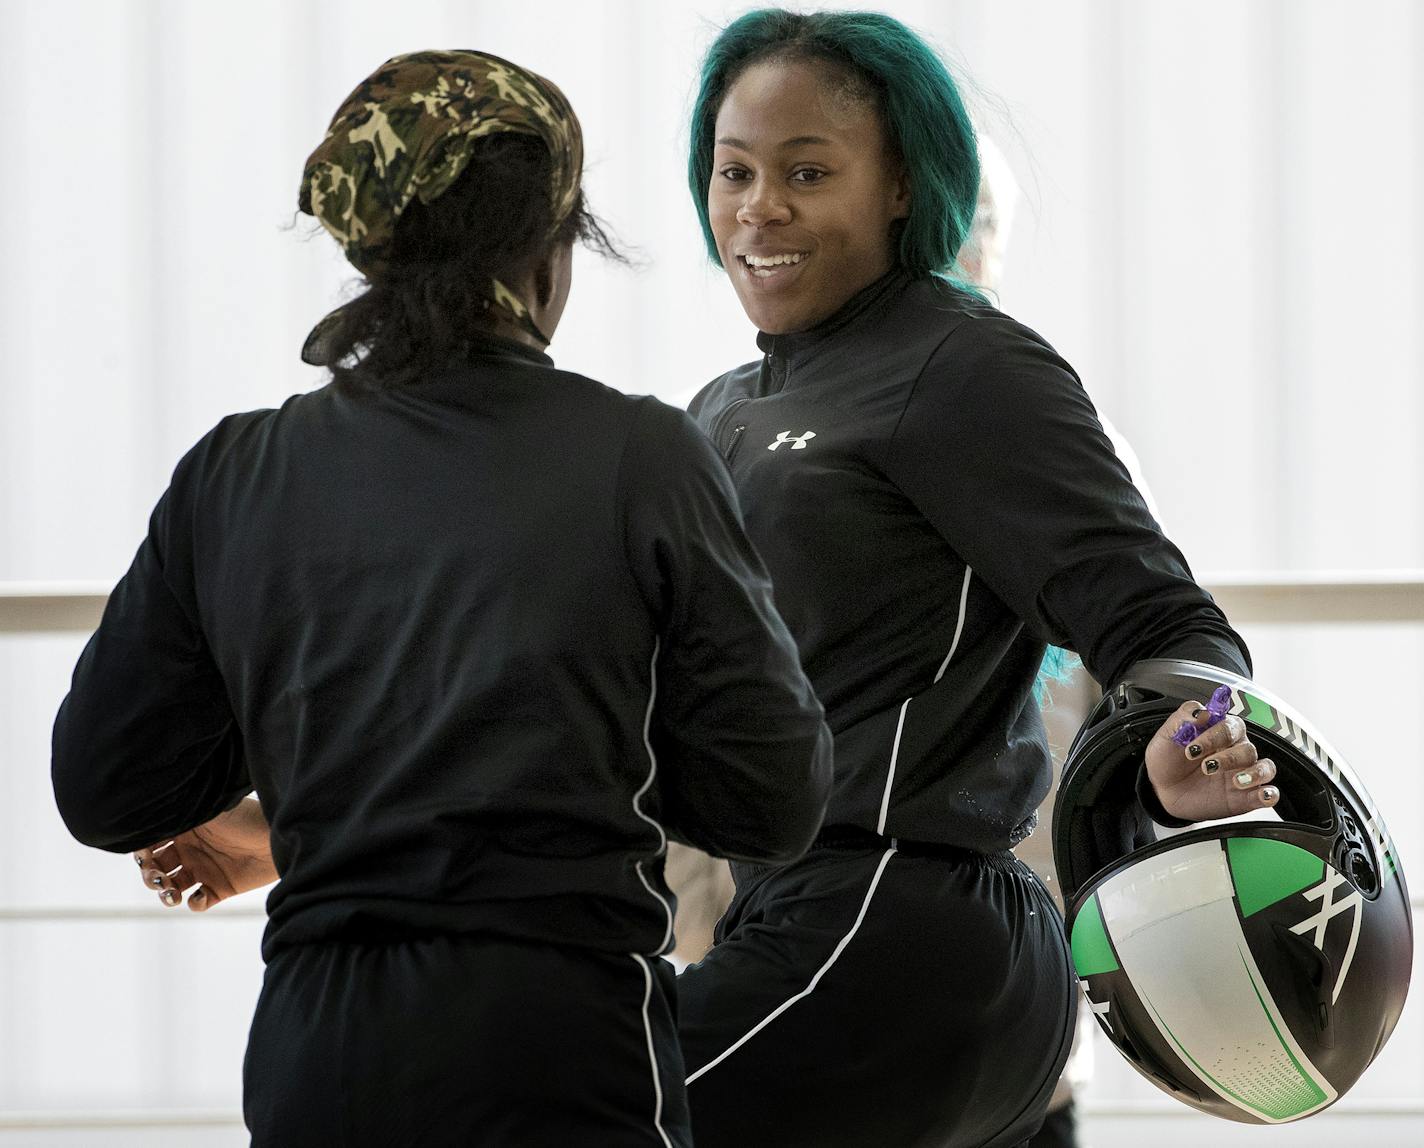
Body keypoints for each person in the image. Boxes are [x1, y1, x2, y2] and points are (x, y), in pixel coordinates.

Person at [51, 49, 833, 1147]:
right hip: (562, 1047)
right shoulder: (640, 456)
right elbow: (771, 798)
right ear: (553, 252)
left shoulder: (237, 473)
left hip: (320, 1061)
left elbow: (108, 785)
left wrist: (316, 777)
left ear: (367, 251)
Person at [671, 11, 1278, 1148]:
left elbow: (1166, 623)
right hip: (794, 917)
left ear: (901, 184)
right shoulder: (720, 411)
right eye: (734, 170)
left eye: (807, 171)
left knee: (544, 1106)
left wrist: (1178, 749)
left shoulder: (962, 361)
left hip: (902, 919)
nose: (759, 207)